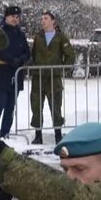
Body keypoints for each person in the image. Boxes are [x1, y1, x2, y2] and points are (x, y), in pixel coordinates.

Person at [29, 11, 76, 146]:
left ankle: (58, 136)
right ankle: (38, 136)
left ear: (53, 21)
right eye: (42, 18)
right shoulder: (38, 37)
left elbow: (70, 56)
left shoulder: (61, 38)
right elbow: (33, 55)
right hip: (38, 78)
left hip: (53, 79)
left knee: (55, 107)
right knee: (36, 107)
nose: (43, 21)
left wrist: (61, 69)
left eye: (46, 18)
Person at [0, 5, 31, 139]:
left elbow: (27, 52)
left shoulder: (20, 34)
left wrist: (21, 59)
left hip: (16, 74)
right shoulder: (0, 32)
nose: (15, 19)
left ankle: (5, 133)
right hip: (2, 73)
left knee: (10, 107)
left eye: (17, 17)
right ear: (6, 17)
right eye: (12, 17)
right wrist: (11, 60)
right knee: (0, 105)